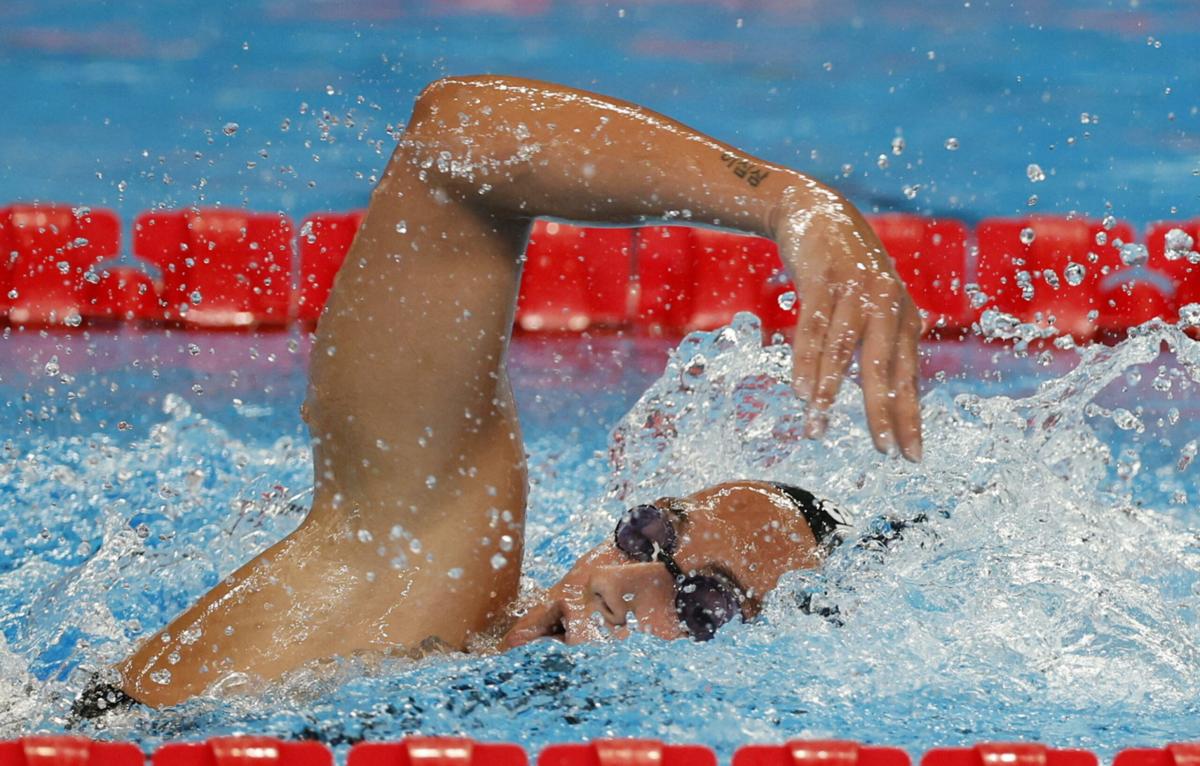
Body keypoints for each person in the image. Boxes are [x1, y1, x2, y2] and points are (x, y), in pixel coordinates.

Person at [75, 75, 922, 715]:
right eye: (651, 531)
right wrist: (788, 201)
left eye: (703, 605)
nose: (624, 583)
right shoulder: (421, 576)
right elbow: (454, 142)